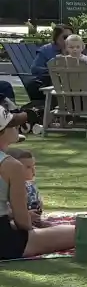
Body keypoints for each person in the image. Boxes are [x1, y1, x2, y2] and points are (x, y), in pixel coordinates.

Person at [0, 107, 74, 258]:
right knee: (78, 233)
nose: (16, 127)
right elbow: (23, 223)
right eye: (12, 125)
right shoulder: (11, 165)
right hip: (4, 242)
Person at [3, 145, 45, 226]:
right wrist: (24, 215)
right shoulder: (5, 188)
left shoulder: (30, 186)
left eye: (34, 166)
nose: (33, 170)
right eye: (28, 167)